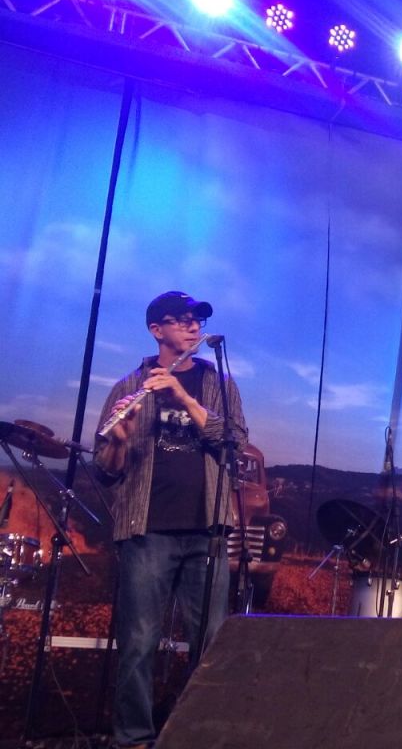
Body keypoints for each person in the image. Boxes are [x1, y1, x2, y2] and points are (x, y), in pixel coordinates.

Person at [94, 291, 248, 749]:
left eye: (197, 320)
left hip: (207, 530)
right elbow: (107, 469)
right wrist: (119, 440)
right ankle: (134, 739)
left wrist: (180, 394)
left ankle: (199, 734)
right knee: (139, 642)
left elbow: (234, 440)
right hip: (147, 531)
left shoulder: (219, 383)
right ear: (156, 329)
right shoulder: (128, 386)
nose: (194, 326)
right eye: (182, 320)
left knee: (212, 642)